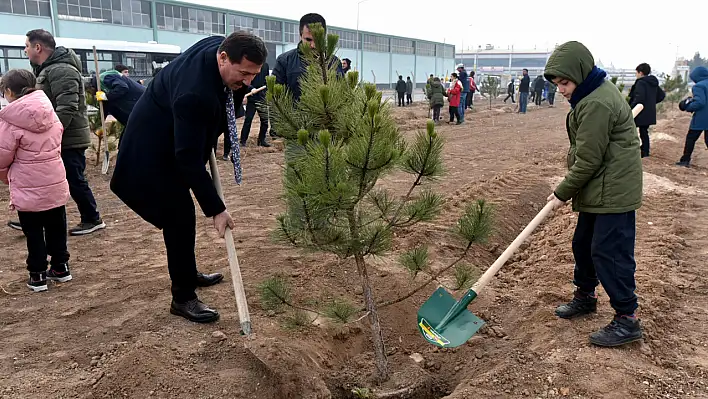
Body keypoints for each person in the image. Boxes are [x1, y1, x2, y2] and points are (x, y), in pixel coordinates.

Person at [110, 32, 267, 323]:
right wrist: (217, 209)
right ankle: (183, 297)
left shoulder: (220, 43)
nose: (248, 82)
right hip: (153, 149)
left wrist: (231, 93)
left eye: (253, 75)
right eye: (243, 73)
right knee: (179, 215)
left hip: (176, 130)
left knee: (182, 216)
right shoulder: (195, 95)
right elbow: (189, 160)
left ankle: (188, 271)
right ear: (223, 58)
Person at [544, 41, 643, 347]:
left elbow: (589, 159)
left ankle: (627, 319)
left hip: (612, 189)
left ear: (581, 74)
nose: (561, 90)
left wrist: (561, 192)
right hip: (599, 185)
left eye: (565, 82)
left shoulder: (596, 103)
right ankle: (585, 296)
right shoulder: (592, 92)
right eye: (557, 83)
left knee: (609, 252)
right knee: (584, 243)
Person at [12, 29, 106, 236]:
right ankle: (36, 218)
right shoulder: (46, 69)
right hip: (57, 137)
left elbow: (67, 108)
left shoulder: (62, 70)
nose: (25, 50)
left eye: (27, 46)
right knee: (47, 180)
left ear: (38, 47)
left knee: (74, 179)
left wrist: (50, 134)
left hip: (68, 139)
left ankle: (92, 218)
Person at [0, 69, 72, 292]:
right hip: (55, 180)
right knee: (56, 227)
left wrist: (5, 176)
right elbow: (58, 138)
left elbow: (3, 155)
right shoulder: (50, 111)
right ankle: (61, 268)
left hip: (28, 186)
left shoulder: (9, 120)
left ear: (9, 92)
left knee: (33, 232)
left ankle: (38, 274)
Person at [273, 13, 343, 103]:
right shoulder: (285, 61)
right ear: (300, 36)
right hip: (294, 116)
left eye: (317, 39)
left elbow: (342, 94)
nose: (313, 45)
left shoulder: (334, 62)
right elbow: (274, 98)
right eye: (308, 40)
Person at [628, 63, 665, 158]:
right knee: (644, 132)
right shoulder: (652, 83)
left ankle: (632, 151)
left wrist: (629, 108)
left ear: (640, 72)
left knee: (629, 129)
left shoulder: (641, 82)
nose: (636, 75)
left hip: (639, 111)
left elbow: (639, 98)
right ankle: (645, 152)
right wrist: (651, 103)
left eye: (636, 72)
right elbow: (661, 96)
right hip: (648, 112)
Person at [676, 66, 708, 167]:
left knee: (691, 138)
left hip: (702, 117)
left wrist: (688, 107)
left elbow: (700, 102)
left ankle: (685, 160)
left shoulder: (698, 86)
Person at [239, 61, 271, 149]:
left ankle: (261, 140)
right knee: (248, 120)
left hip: (262, 97)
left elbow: (266, 80)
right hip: (252, 98)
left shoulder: (265, 65)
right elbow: (246, 80)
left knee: (264, 121)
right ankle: (243, 141)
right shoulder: (251, 65)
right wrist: (251, 88)